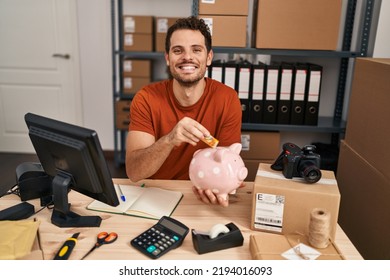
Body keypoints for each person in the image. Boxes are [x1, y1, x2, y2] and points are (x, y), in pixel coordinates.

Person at [125, 16, 242, 207]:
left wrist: (220, 187)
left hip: (202, 195)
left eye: (196, 50)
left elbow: (228, 162)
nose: (187, 57)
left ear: (209, 57)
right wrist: (170, 139)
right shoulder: (146, 98)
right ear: (167, 58)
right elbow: (134, 172)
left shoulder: (228, 99)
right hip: (155, 195)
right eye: (178, 50)